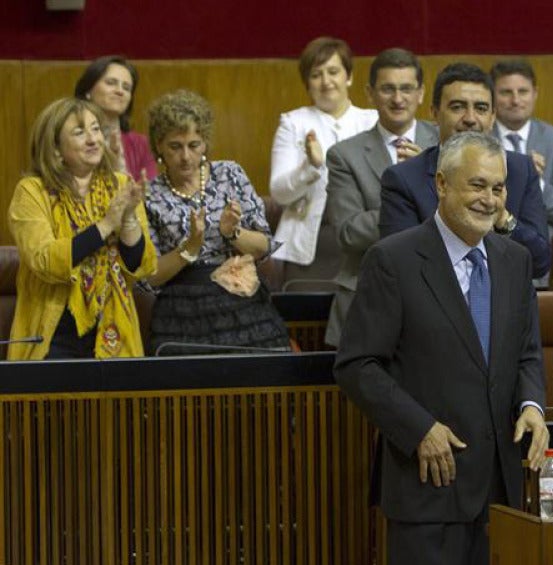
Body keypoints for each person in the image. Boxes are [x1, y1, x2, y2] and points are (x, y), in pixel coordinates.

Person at [335, 132, 548, 565]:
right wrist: (418, 430)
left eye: (498, 188)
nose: (489, 200)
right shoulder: (393, 259)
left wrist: (532, 405)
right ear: (442, 184)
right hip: (430, 483)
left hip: (502, 491)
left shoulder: (514, 260)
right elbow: (358, 364)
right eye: (477, 185)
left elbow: (526, 351)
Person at [7, 97, 156, 360]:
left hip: (113, 329)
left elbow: (137, 267)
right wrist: (107, 224)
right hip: (53, 333)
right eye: (79, 132)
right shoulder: (32, 191)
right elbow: (45, 260)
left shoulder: (121, 184)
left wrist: (130, 218)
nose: (93, 139)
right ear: (55, 148)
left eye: (96, 129)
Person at [144, 90, 290, 355]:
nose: (186, 156)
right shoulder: (149, 195)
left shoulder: (229, 173)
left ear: (205, 143)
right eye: (175, 146)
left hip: (239, 299)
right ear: (159, 146)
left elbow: (262, 246)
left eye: (194, 145)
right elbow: (150, 276)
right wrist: (188, 248)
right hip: (181, 310)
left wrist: (232, 232)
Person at [379, 62, 551, 278]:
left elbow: (540, 262)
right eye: (457, 107)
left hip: (502, 304)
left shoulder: (520, 170)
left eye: (481, 108)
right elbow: (400, 265)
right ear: (434, 113)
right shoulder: (404, 178)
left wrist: (503, 220)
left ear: (492, 116)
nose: (470, 118)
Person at [324, 48, 439, 347]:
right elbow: (349, 233)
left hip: (438, 295)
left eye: (406, 89)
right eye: (388, 89)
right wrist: (409, 195)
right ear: (370, 93)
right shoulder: (344, 155)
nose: (398, 99)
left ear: (421, 93)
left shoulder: (446, 145)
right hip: (368, 297)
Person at [269, 37, 378, 287]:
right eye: (316, 75)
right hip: (309, 246)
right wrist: (311, 167)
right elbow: (279, 193)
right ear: (308, 83)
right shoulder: (292, 122)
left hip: (365, 242)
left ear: (348, 76)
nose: (326, 82)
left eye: (333, 72)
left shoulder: (372, 121)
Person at [490, 59, 553, 237]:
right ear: (492, 95)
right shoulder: (481, 138)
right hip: (491, 237)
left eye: (523, 91)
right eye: (506, 92)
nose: (515, 100)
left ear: (535, 93)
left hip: (542, 240)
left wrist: (535, 180)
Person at [74, 56, 158, 181]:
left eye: (126, 88)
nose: (120, 91)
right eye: (111, 83)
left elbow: (149, 193)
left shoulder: (141, 144)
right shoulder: (70, 136)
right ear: (88, 89)